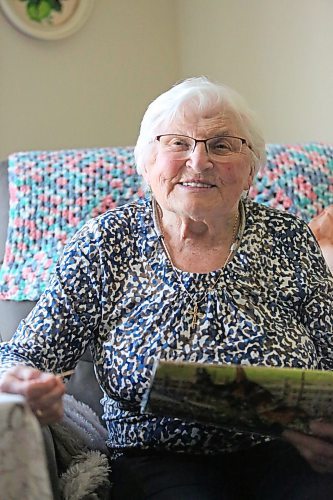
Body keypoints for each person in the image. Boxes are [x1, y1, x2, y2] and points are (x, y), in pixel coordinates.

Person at [0, 76, 333, 499]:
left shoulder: (287, 236)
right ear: (147, 162)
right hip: (157, 455)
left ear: (251, 169)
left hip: (286, 449)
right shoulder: (106, 242)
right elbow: (25, 355)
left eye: (222, 144)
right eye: (177, 143)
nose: (199, 161)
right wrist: (22, 384)